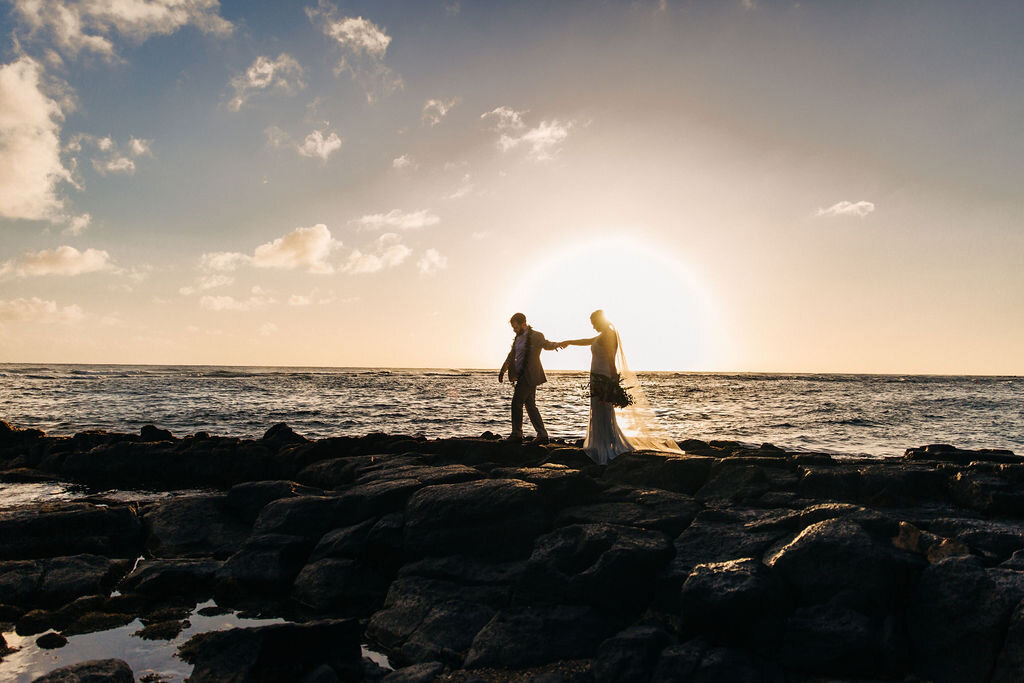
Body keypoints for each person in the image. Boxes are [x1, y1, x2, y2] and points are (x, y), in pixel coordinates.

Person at [557, 310, 683, 464]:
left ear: (600, 321)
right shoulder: (602, 335)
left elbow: (611, 357)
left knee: (603, 410)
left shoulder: (609, 335)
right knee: (598, 410)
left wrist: (613, 381)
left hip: (604, 378)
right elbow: (587, 341)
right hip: (597, 377)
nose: (593, 326)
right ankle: (601, 443)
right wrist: (569, 342)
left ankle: (605, 445)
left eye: (594, 323)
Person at [499, 312, 561, 443]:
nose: (515, 330)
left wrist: (556, 344)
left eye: (516, 327)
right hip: (520, 375)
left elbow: (546, 344)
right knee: (530, 405)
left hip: (531, 374)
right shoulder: (517, 338)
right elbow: (512, 355)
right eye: (513, 328)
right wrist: (503, 370)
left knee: (516, 402)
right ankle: (542, 435)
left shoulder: (536, 336)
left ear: (523, 323)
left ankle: (516, 434)